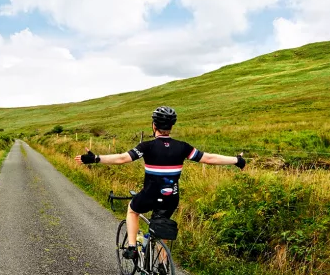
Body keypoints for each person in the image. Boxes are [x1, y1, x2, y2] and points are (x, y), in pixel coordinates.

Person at [73, 106, 245, 261]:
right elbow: (210, 158)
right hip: (171, 198)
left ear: (154, 125)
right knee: (159, 227)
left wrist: (96, 158)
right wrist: (236, 160)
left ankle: (132, 247)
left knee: (132, 210)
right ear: (171, 126)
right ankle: (163, 268)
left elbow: (122, 158)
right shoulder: (183, 147)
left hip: (149, 195)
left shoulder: (147, 146)